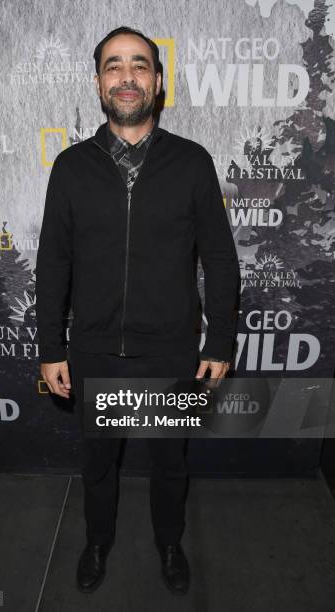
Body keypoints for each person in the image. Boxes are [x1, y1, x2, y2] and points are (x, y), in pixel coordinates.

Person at [35, 26, 240, 596]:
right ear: (99, 81)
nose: (127, 77)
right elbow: (52, 264)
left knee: (170, 464)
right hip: (95, 352)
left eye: (139, 65)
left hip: (172, 350)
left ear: (158, 79)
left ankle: (169, 542)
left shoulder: (192, 162)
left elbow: (221, 261)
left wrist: (219, 341)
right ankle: (97, 541)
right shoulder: (72, 167)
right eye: (114, 66)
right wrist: (50, 347)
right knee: (98, 465)